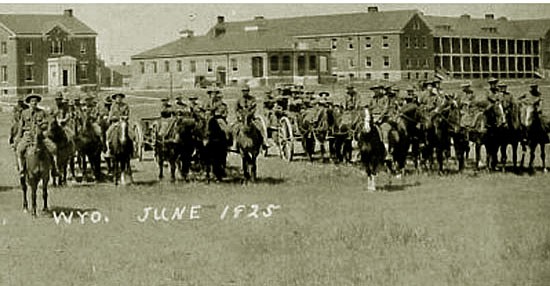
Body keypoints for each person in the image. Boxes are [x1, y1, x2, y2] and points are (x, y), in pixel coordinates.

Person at [15, 94, 57, 177]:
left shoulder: (42, 112)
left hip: (40, 136)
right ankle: (21, 169)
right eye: (32, 101)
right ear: (29, 103)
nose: (34, 103)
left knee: (53, 148)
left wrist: (44, 130)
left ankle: (54, 169)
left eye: (35, 101)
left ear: (37, 102)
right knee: (19, 150)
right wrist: (18, 138)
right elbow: (20, 126)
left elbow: (46, 124)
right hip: (28, 136)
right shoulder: (24, 113)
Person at [105, 93, 130, 157]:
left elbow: (127, 114)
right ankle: (108, 149)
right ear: (115, 99)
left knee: (131, 134)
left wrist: (125, 117)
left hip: (123, 122)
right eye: (117, 98)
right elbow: (110, 116)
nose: (119, 99)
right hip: (115, 123)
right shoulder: (113, 106)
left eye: (120, 98)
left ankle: (132, 149)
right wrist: (114, 118)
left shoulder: (125, 105)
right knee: (108, 133)